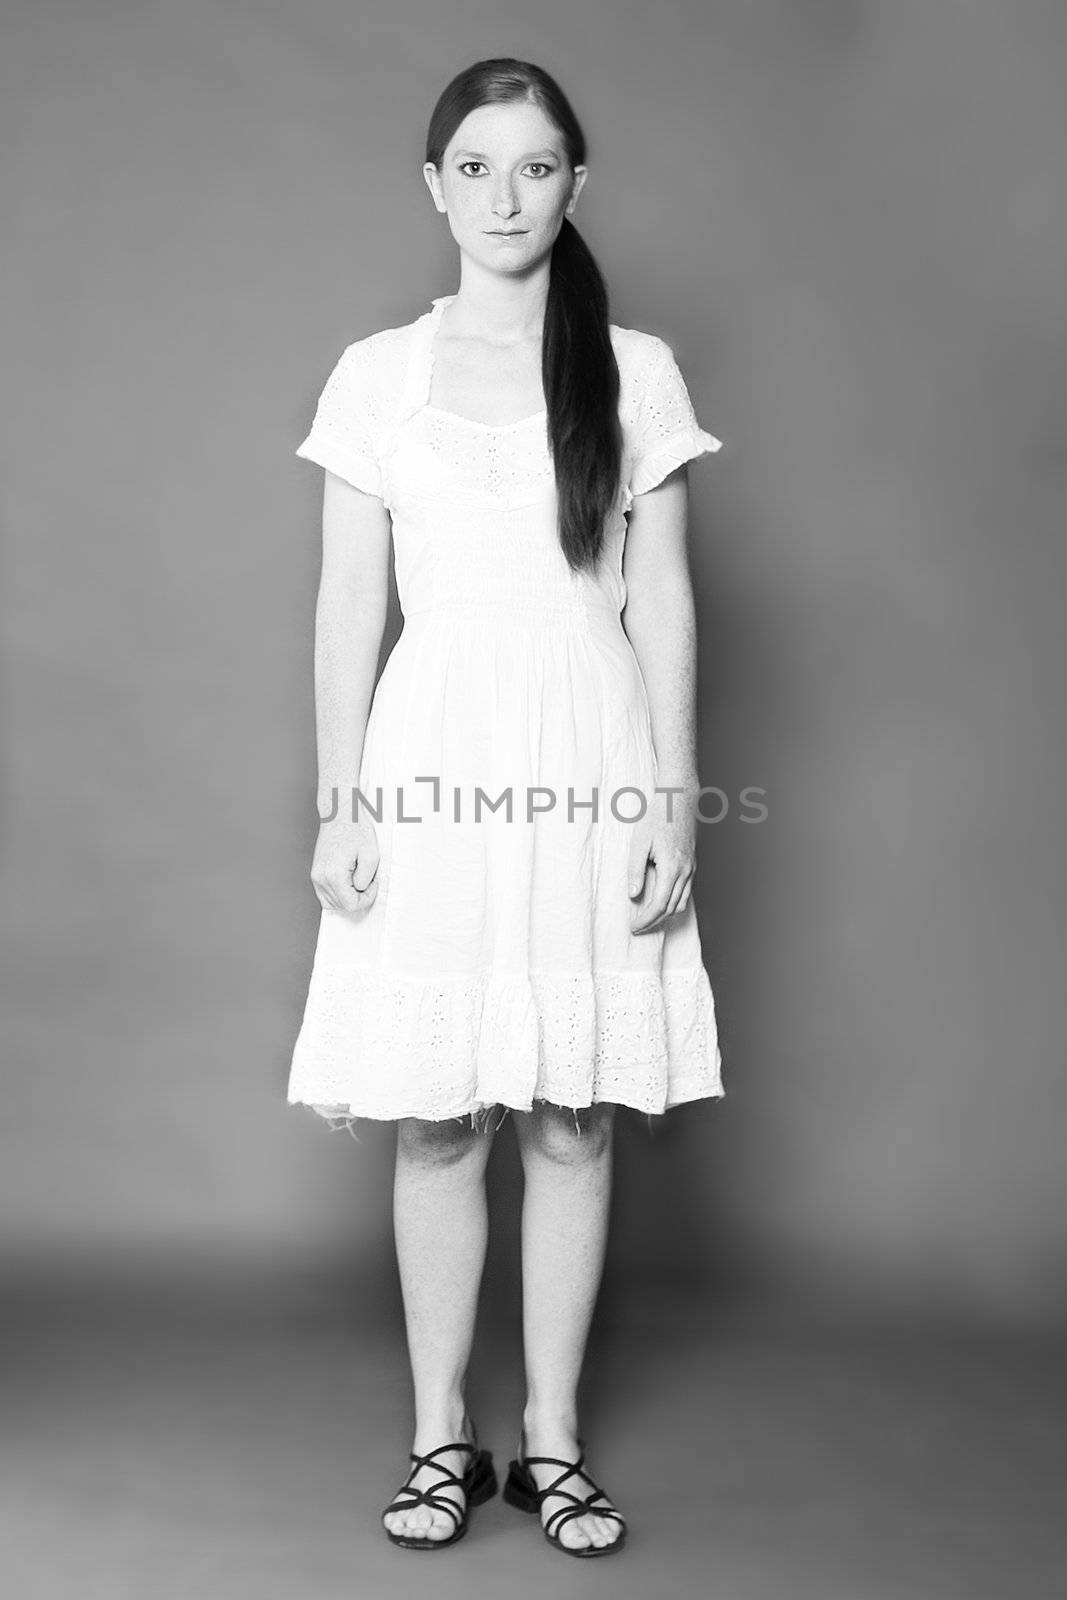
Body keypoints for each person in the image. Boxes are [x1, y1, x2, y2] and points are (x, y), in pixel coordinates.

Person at [287, 58, 724, 1559]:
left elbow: (661, 600)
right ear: (434, 188)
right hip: (430, 775)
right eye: (474, 168)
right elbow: (350, 608)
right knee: (437, 1121)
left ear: (574, 187)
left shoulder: (636, 367)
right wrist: (342, 803)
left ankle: (551, 1443)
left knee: (574, 1119)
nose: (503, 198)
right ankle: (438, 1438)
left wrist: (673, 795)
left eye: (533, 168)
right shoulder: (375, 375)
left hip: (590, 766)